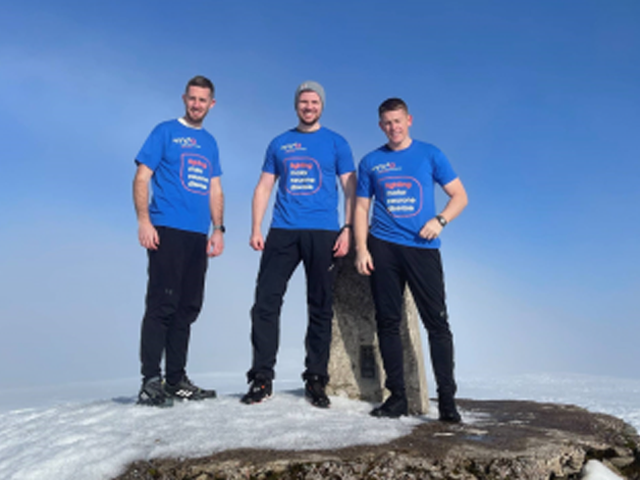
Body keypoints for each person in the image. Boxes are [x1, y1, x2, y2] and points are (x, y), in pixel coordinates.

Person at [241, 81, 357, 408]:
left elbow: (351, 188)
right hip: (283, 231)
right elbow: (264, 186)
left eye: (314, 101)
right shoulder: (281, 143)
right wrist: (256, 227)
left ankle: (316, 378)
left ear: (322, 105)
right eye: (303, 102)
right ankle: (262, 378)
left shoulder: (337, 143)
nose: (309, 106)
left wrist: (348, 228)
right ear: (296, 106)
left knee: (320, 305)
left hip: (323, 232)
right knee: (265, 302)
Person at [354, 98, 468, 421]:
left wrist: (440, 220)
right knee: (388, 322)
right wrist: (362, 249)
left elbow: (460, 195)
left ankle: (447, 402)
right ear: (380, 125)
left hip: (422, 248)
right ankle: (397, 398)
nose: (393, 127)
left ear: (409, 120)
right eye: (387, 123)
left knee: (437, 323)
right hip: (383, 247)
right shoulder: (371, 162)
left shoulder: (430, 154)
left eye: (398, 121)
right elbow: (361, 208)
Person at [133, 75, 225, 407]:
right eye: (192, 98)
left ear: (211, 104)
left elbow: (215, 188)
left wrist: (219, 228)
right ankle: (150, 381)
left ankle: (175, 379)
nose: (197, 104)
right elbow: (142, 176)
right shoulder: (165, 132)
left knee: (187, 307)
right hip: (166, 229)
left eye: (203, 100)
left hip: (197, 236)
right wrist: (144, 221)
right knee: (162, 304)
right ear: (184, 98)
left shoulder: (210, 143)